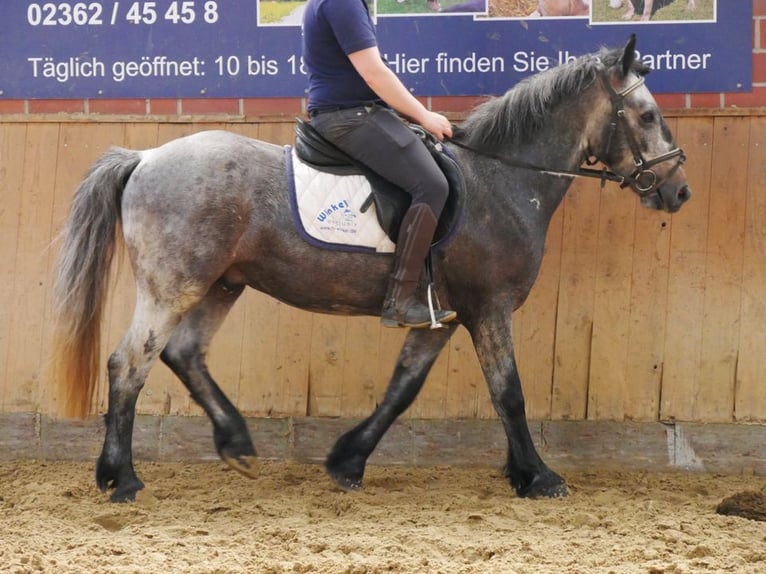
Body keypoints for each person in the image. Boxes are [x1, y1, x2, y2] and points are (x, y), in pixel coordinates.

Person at [302, 0, 458, 329]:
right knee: (431, 185)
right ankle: (400, 301)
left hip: (356, 111)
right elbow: (374, 74)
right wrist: (424, 115)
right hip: (349, 116)